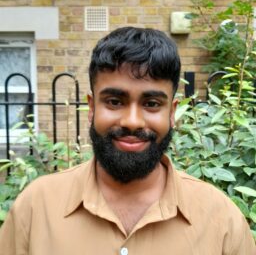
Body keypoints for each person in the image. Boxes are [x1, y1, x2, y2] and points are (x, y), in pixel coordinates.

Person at [0, 27, 255, 255]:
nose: (132, 121)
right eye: (114, 101)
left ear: (172, 112)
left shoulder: (221, 219)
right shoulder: (35, 208)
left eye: (152, 104)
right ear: (91, 107)